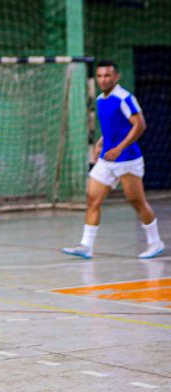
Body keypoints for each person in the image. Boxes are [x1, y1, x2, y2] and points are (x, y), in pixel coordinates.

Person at [62, 60, 164, 259]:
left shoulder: (124, 98)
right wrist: (101, 143)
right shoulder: (100, 99)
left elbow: (139, 125)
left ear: (116, 77)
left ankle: (155, 242)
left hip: (127, 159)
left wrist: (119, 148)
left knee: (136, 201)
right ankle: (86, 245)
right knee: (93, 199)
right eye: (99, 76)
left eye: (107, 75)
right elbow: (114, 127)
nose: (103, 79)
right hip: (106, 159)